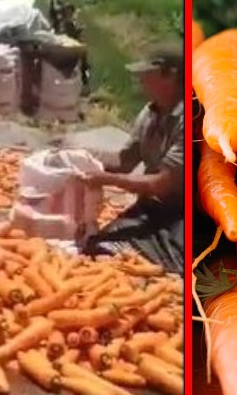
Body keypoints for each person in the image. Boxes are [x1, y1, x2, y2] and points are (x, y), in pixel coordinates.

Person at [78, 44, 184, 273]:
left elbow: (162, 184)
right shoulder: (150, 112)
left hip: (182, 216)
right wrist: (83, 160)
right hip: (151, 208)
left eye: (148, 73)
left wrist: (105, 179)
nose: (140, 79)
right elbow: (125, 162)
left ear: (171, 75)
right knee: (101, 247)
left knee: (164, 270)